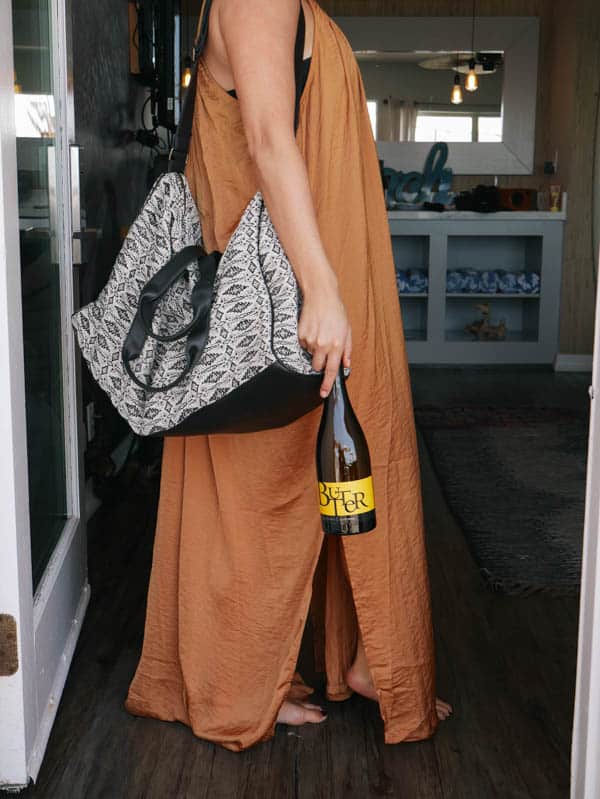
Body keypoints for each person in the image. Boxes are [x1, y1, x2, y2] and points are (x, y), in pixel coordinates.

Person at [124, 0, 452, 751]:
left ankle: (373, 659)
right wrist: (323, 287)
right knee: (256, 486)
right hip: (279, 297)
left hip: (318, 275)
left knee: (357, 457)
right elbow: (269, 137)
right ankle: (235, 681)